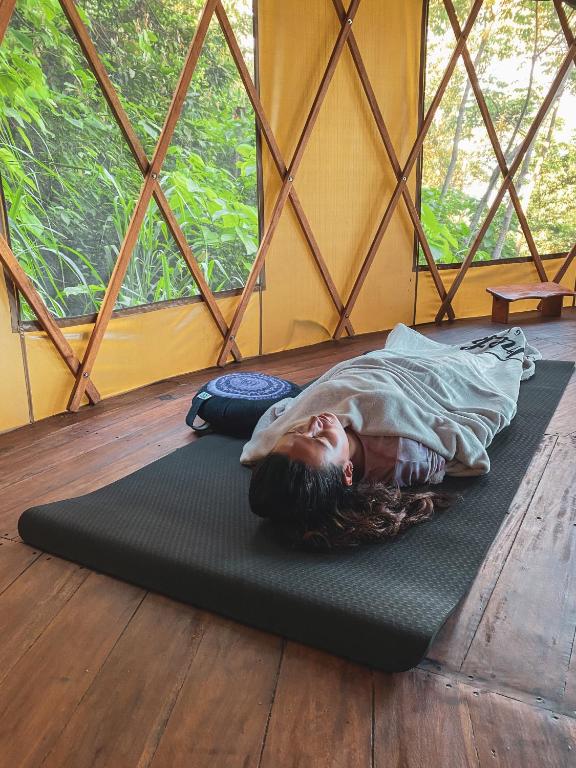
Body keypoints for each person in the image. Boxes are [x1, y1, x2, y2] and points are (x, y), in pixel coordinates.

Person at [242, 324, 540, 551]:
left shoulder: (283, 448)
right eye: (320, 439)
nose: (312, 423)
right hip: (423, 381)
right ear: (348, 472)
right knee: (459, 363)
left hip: (374, 367)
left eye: (297, 431)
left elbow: (272, 425)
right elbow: (447, 439)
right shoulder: (403, 456)